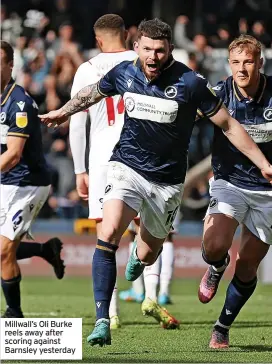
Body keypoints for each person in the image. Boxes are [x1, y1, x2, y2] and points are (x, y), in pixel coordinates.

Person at [39, 19, 272, 347]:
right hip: (126, 167)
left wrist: (264, 163)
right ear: (136, 47)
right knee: (107, 235)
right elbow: (92, 93)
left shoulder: (190, 83)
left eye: (159, 50)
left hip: (166, 183)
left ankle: (141, 254)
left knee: (149, 254)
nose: (152, 56)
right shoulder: (124, 73)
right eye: (146, 49)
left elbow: (229, 125)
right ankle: (103, 319)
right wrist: (63, 111)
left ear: (169, 51)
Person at [69, 14, 179, 331]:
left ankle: (111, 313)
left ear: (98, 40)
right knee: (155, 232)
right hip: (147, 154)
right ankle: (152, 297)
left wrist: (79, 170)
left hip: (104, 158)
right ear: (129, 35)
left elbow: (77, 121)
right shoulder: (145, 59)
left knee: (108, 235)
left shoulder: (87, 69)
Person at [197, 34, 272, 349]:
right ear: (229, 64)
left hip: (268, 191)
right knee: (215, 245)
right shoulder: (218, 93)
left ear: (260, 63)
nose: (242, 69)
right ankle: (216, 266)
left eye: (248, 61)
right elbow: (188, 115)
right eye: (236, 62)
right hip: (229, 182)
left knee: (248, 265)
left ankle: (222, 326)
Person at [0, 40, 64, 319]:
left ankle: (14, 314)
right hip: (4, 181)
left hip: (28, 184)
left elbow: (13, 155)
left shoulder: (20, 103)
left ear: (10, 65)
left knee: (3, 251)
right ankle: (45, 250)